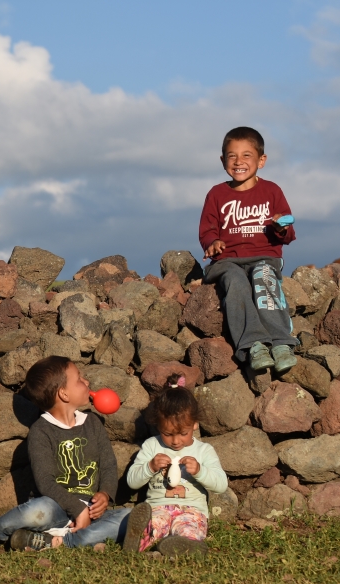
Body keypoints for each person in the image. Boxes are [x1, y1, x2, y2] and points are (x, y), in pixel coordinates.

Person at [0, 356, 133, 551]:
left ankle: (56, 542)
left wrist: (105, 494)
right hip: (56, 509)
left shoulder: (93, 423)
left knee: (128, 517)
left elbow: (108, 465)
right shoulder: (41, 431)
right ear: (64, 394)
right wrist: (78, 509)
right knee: (38, 510)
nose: (87, 382)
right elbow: (45, 482)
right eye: (79, 379)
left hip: (92, 513)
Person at [198, 126, 298, 373]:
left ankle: (281, 343)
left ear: (261, 160)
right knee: (235, 282)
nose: (238, 161)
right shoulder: (217, 194)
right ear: (223, 160)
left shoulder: (271, 191)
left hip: (264, 257)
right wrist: (212, 243)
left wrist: (280, 227)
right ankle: (254, 345)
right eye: (232, 156)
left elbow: (288, 232)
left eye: (246, 155)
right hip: (227, 262)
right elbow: (207, 229)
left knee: (262, 278)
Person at [125, 375, 228, 556]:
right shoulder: (151, 446)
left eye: (183, 433)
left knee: (187, 527)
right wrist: (150, 466)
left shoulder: (204, 451)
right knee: (155, 524)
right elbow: (132, 482)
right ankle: (138, 539)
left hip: (192, 509)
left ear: (195, 424)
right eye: (167, 433)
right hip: (157, 507)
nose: (175, 441)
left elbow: (221, 485)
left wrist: (200, 471)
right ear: (158, 425)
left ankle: (186, 545)